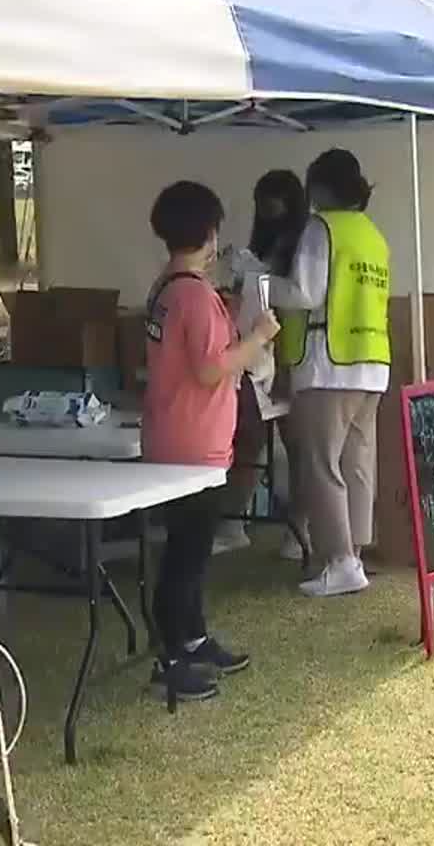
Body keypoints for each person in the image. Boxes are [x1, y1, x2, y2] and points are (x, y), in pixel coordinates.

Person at [142, 180, 281, 700]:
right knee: (187, 554)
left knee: (187, 551)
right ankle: (172, 655)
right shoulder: (194, 295)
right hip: (193, 443)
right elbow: (208, 369)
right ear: (209, 232)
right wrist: (258, 339)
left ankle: (192, 638)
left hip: (172, 434)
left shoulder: (166, 287)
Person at [269, 150, 391, 598]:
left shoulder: (322, 229)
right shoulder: (372, 235)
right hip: (371, 362)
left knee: (320, 464)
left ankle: (339, 561)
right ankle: (353, 554)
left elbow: (304, 293)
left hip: (328, 363)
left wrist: (260, 282)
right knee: (357, 463)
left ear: (319, 188)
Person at [236, 169, 309, 560]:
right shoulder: (265, 241)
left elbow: (293, 296)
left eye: (273, 200)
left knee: (297, 448)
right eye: (261, 200)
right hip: (258, 353)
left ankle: (299, 530)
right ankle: (236, 521)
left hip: (290, 350)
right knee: (247, 439)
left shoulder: (301, 243)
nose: (266, 208)